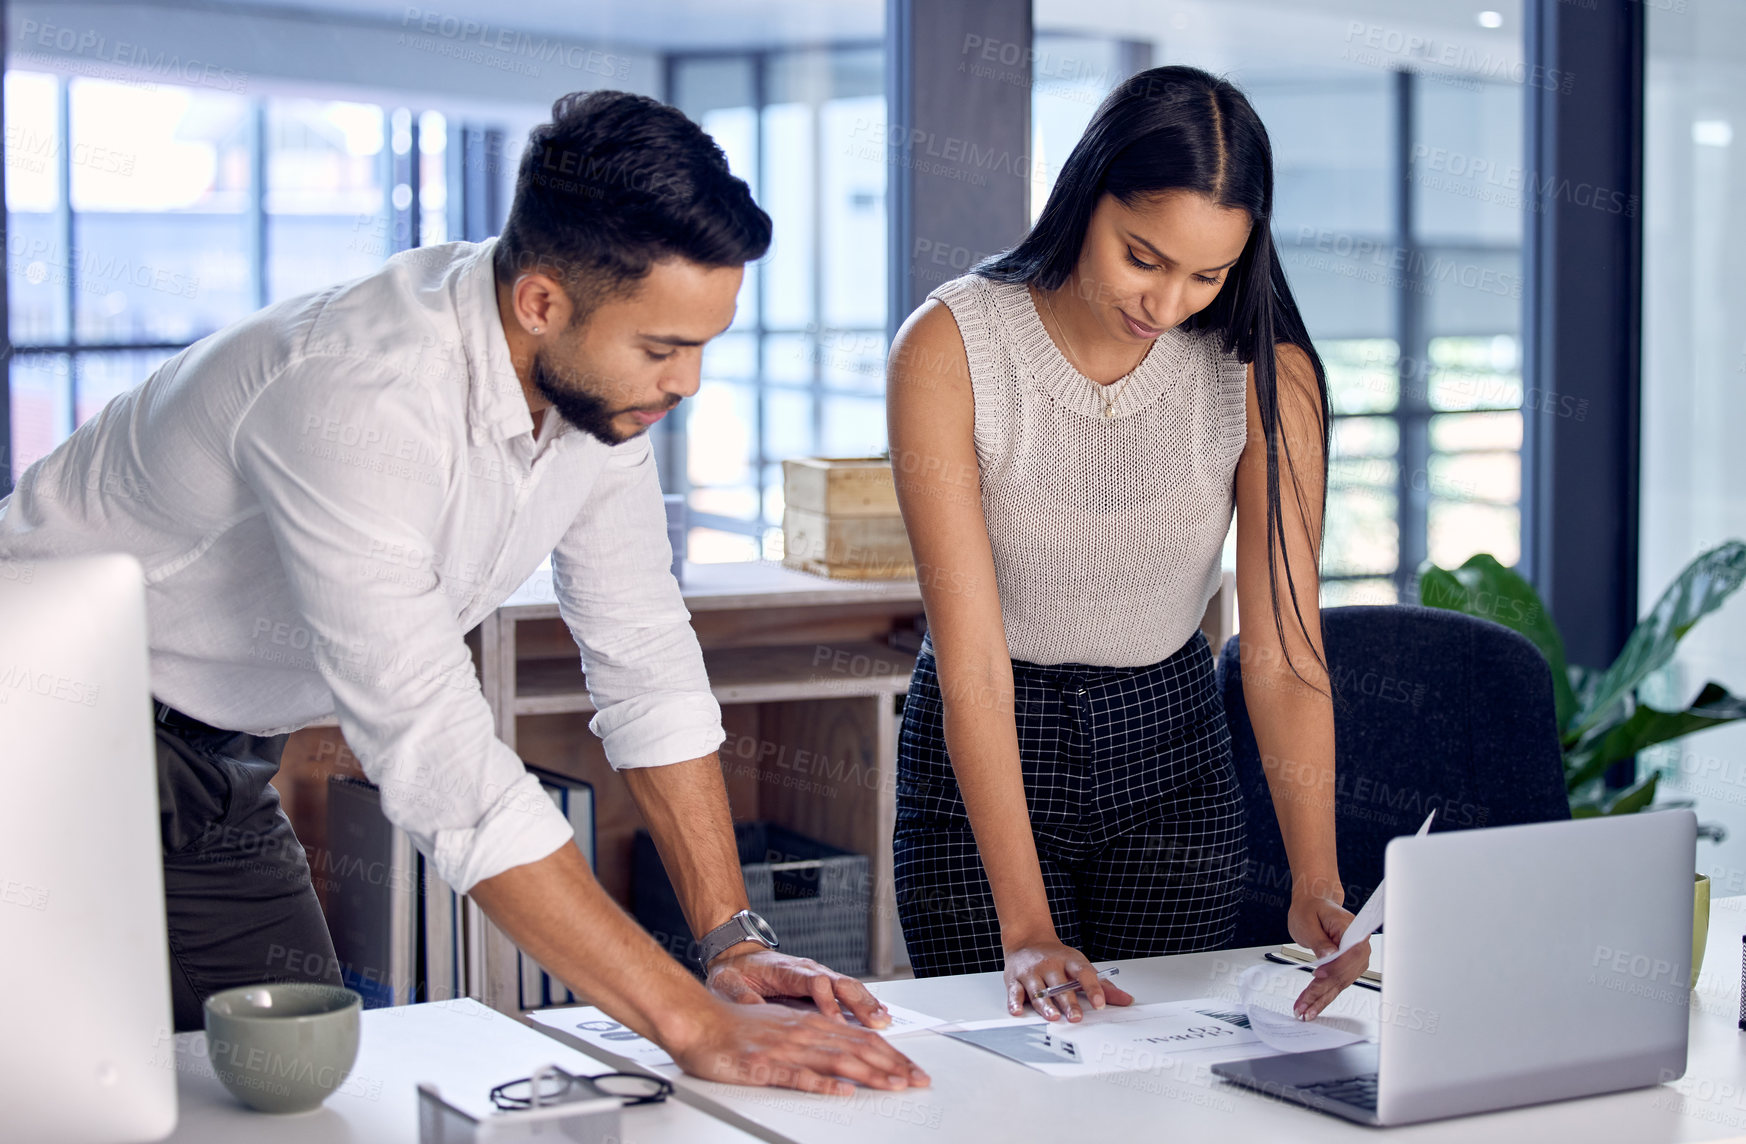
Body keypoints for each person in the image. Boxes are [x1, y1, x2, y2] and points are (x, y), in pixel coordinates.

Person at [0, 89, 925, 1098]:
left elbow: (645, 658)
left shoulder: (595, 400)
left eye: (704, 345)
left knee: (286, 1086)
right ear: (540, 301)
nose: (689, 383)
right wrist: (691, 1025)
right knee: (59, 1090)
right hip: (40, 735)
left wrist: (731, 947)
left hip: (217, 766)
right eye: (662, 348)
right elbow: (436, 751)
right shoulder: (359, 392)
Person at [884, 65, 1369, 1024]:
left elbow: (1282, 652)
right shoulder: (949, 348)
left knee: (1161, 1071)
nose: (1169, 303)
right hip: (986, 737)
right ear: (1084, 194)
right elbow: (973, 658)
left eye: (1209, 274)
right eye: (1143, 258)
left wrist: (1317, 875)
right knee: (1005, 1074)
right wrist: (1024, 927)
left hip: (1170, 747)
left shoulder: (1266, 374)